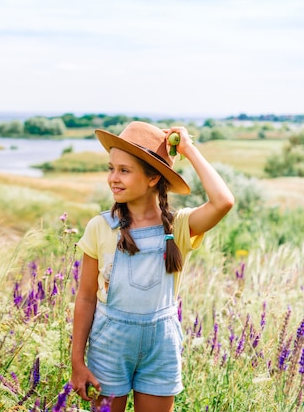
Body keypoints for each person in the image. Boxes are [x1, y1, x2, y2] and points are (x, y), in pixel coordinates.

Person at [70, 121, 234, 412]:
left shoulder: (179, 226)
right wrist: (77, 362)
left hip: (161, 346)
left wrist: (188, 149)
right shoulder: (100, 227)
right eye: (111, 168)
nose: (113, 178)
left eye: (124, 170)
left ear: (153, 178)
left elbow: (223, 202)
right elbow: (85, 297)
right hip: (109, 344)